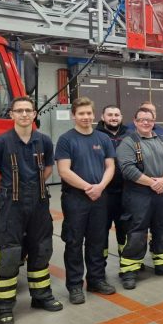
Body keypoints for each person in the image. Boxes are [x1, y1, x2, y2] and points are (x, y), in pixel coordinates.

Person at [0, 96, 63, 324]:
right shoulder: (0, 143)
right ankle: (5, 306)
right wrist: (8, 192)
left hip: (39, 204)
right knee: (9, 254)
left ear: (35, 114)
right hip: (11, 207)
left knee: (41, 249)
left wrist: (32, 189)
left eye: (28, 110)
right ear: (12, 115)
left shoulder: (44, 141)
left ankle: (41, 296)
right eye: (20, 111)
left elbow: (48, 168)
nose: (25, 114)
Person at [55, 98, 116, 304]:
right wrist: (88, 187)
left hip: (99, 197)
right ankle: (74, 286)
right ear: (74, 115)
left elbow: (110, 167)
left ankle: (96, 280)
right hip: (75, 199)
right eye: (81, 113)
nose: (86, 117)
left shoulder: (103, 138)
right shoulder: (66, 140)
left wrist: (99, 187)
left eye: (89, 113)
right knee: (73, 242)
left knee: (97, 241)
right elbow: (64, 171)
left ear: (94, 114)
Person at [116, 107, 163, 289]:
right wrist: (152, 183)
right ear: (135, 122)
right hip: (139, 194)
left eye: (149, 119)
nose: (146, 122)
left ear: (154, 121)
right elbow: (128, 169)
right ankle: (129, 270)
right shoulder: (128, 142)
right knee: (137, 231)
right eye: (142, 119)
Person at [95, 105, 128, 254]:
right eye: (110, 115)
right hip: (103, 193)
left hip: (126, 191)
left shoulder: (130, 134)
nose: (113, 118)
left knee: (125, 228)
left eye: (116, 115)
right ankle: (100, 268)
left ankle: (127, 263)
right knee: (101, 230)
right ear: (103, 117)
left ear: (121, 117)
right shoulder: (95, 135)